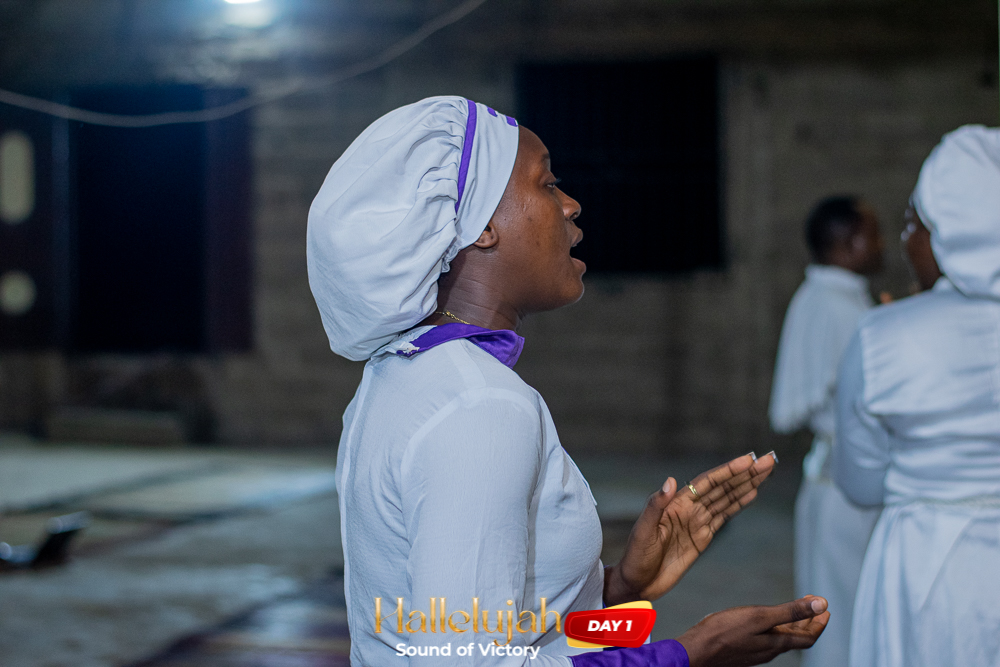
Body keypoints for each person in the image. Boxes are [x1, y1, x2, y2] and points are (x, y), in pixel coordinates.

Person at [308, 96, 829, 666]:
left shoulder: (400, 373)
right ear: (482, 227)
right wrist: (691, 653)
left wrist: (620, 588)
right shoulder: (481, 405)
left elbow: (477, 630)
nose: (571, 204)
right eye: (548, 184)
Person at [833, 124, 1000, 667]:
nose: (906, 242)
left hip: (926, 564)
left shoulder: (884, 335)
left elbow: (860, 483)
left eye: (913, 223)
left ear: (954, 230)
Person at [768, 196, 884, 667]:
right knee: (845, 606)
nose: (882, 244)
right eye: (873, 234)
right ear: (850, 244)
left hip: (827, 475)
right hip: (848, 481)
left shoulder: (820, 295)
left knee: (833, 598)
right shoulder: (840, 307)